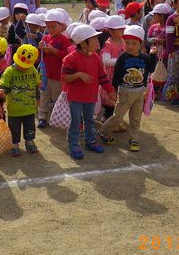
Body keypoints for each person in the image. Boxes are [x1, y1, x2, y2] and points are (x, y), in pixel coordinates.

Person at [99, 25, 157, 151]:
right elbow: (117, 76)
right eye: (127, 43)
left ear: (141, 44)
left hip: (139, 92)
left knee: (136, 118)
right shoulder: (122, 57)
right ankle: (104, 132)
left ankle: (134, 139)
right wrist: (112, 91)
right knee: (118, 117)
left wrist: (153, 55)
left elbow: (151, 68)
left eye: (134, 43)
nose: (130, 46)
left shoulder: (144, 58)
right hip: (125, 92)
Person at [62, 24, 115, 160]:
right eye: (93, 40)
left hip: (90, 95)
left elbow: (102, 76)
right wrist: (78, 74)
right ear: (83, 43)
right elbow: (64, 78)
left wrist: (110, 90)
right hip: (75, 97)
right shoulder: (70, 58)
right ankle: (73, 145)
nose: (97, 42)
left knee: (90, 120)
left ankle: (90, 141)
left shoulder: (96, 57)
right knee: (75, 122)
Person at [0, 44, 40, 156]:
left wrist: (38, 97)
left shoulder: (32, 70)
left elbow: (36, 85)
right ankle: (14, 144)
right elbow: (4, 85)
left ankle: (29, 141)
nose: (23, 67)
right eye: (21, 65)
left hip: (30, 108)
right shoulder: (9, 71)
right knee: (14, 128)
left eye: (26, 65)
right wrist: (2, 92)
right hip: (14, 109)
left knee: (30, 127)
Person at [37, 10, 71, 128]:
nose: (50, 29)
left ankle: (56, 116)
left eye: (53, 26)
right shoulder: (45, 38)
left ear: (61, 25)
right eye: (48, 27)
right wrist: (40, 48)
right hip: (45, 73)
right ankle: (42, 117)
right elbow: (39, 56)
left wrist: (53, 51)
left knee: (57, 96)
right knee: (44, 95)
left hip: (57, 75)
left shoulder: (64, 40)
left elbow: (67, 56)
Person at [100, 15, 127, 121]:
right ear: (111, 31)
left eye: (123, 28)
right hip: (110, 75)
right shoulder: (108, 44)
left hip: (121, 74)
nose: (123, 30)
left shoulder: (123, 42)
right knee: (110, 95)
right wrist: (121, 61)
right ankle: (107, 115)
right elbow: (106, 61)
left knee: (119, 95)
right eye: (119, 28)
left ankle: (115, 117)